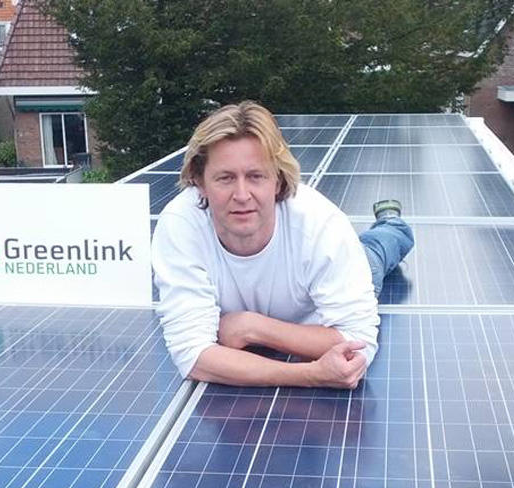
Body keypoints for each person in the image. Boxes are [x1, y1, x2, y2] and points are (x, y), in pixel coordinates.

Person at [152, 101, 414, 389]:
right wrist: (310, 375)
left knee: (375, 253)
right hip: (311, 331)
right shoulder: (180, 224)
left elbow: (357, 341)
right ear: (199, 183)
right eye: (225, 178)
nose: (242, 195)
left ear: (277, 180)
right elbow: (193, 355)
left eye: (256, 176)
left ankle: (391, 223)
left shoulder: (321, 225)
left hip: (324, 302)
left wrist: (255, 327)